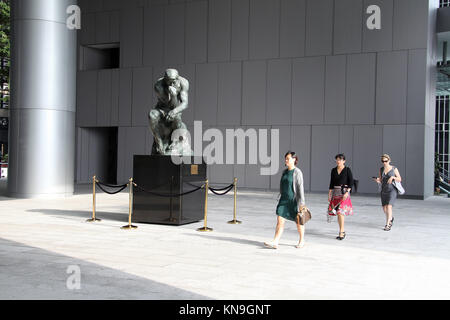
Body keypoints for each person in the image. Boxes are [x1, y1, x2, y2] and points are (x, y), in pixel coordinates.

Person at [264, 151, 306, 249]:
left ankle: (302, 240)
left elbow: (300, 188)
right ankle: (275, 241)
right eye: (286, 158)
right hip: (283, 200)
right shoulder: (285, 172)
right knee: (280, 220)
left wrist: (302, 204)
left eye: (288, 158)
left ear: (294, 159)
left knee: (298, 222)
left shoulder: (297, 172)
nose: (286, 160)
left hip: (294, 201)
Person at [327, 154, 354, 240]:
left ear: (344, 161)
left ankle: (341, 232)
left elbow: (351, 182)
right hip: (336, 193)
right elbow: (331, 183)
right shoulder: (333, 170)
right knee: (338, 213)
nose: (338, 161)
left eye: (340, 160)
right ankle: (341, 230)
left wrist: (347, 192)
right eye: (337, 160)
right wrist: (329, 194)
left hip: (344, 193)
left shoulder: (347, 170)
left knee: (340, 212)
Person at [373, 154, 402, 231]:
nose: (384, 162)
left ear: (389, 160)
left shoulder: (394, 168)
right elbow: (381, 180)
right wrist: (377, 180)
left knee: (389, 206)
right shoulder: (381, 169)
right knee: (384, 207)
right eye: (382, 161)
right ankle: (391, 217)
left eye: (386, 161)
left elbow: (399, 179)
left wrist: (392, 177)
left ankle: (388, 224)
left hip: (392, 189)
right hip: (384, 189)